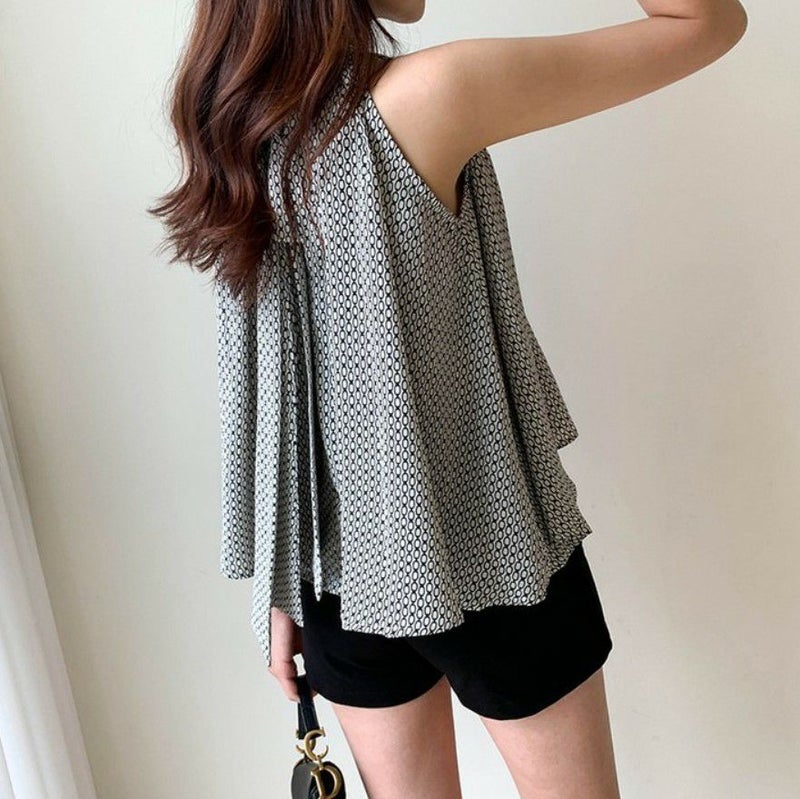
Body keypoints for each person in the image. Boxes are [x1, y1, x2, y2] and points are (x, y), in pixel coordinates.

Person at [150, 1, 747, 796]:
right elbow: (705, 23)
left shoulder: (234, 125)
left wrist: (283, 579)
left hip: (336, 574)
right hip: (491, 552)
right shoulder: (435, 94)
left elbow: (262, 374)